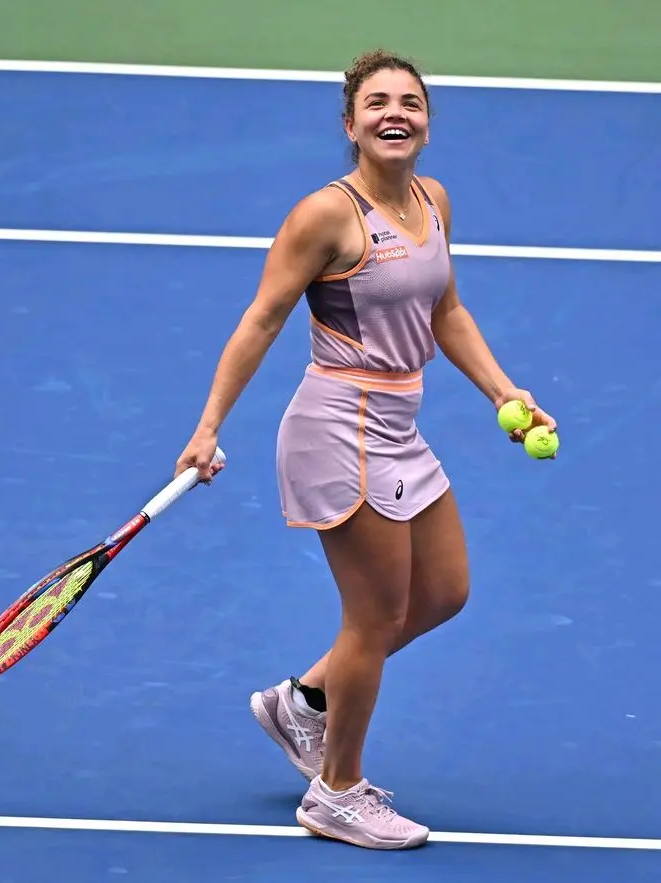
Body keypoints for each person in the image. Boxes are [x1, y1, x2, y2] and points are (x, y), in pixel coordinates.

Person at [174, 48, 557, 850]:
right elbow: (261, 319)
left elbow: (446, 309)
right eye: (377, 103)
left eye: (409, 102)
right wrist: (208, 426)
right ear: (350, 125)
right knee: (375, 616)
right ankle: (336, 791)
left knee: (443, 591)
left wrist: (504, 391)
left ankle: (305, 700)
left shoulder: (432, 200)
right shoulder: (325, 215)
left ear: (427, 124)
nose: (395, 114)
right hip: (338, 430)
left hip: (398, 426)